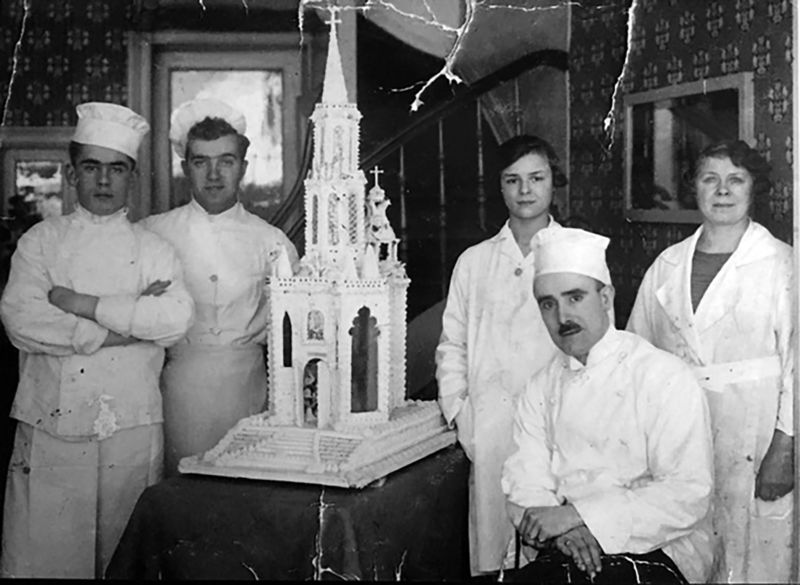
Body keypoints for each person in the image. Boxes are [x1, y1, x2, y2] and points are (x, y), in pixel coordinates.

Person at [0, 102, 195, 578]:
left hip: (130, 423)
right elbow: (21, 319)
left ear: (133, 177)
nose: (104, 181)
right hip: (52, 424)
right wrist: (125, 327)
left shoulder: (154, 250)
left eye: (116, 169)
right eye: (91, 167)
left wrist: (75, 303)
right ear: (72, 175)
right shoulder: (40, 242)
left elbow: (174, 320)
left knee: (122, 559)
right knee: (47, 557)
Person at [501, 227, 715, 584]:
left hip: (657, 547)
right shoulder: (538, 388)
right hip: (565, 545)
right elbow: (525, 478)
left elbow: (686, 493)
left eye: (575, 297)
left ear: (605, 298)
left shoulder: (663, 376)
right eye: (548, 303)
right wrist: (563, 530)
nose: (562, 317)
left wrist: (580, 517)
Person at [627, 139, 794, 583]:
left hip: (755, 433)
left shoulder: (782, 263)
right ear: (694, 188)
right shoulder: (666, 265)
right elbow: (636, 359)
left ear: (753, 188)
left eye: (735, 179)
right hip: (679, 434)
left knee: (755, 557)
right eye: (710, 179)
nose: (722, 190)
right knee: (689, 551)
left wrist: (786, 447)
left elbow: (797, 364)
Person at [143, 98, 299, 476]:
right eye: (201, 162)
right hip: (178, 390)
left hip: (247, 390)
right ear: (186, 168)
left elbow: (291, 331)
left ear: (243, 167)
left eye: (226, 161)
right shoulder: (152, 234)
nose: (214, 174)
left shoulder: (272, 242)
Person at [435, 135, 565, 576]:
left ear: (553, 182)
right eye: (513, 180)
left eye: (536, 178)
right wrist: (461, 413)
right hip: (490, 427)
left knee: (551, 553)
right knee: (493, 552)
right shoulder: (475, 261)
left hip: (558, 426)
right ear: (500, 186)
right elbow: (452, 344)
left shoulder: (576, 252)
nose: (525, 190)